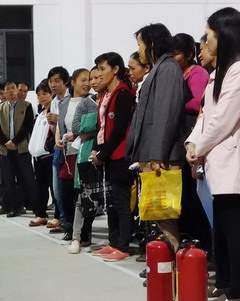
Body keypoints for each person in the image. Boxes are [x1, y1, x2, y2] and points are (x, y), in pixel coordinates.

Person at [186, 8, 240, 301]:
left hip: (234, 160)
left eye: (209, 35)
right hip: (216, 158)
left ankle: (239, 290)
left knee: (234, 229)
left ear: (225, 34)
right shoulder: (220, 71)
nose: (205, 41)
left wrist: (199, 147)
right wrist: (192, 142)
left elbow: (224, 119)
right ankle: (225, 282)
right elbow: (207, 116)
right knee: (220, 229)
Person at [126, 23, 185, 252]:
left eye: (140, 44)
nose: (139, 50)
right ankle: (163, 261)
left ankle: (174, 261)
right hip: (152, 153)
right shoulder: (160, 68)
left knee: (165, 213)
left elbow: (166, 113)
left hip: (161, 156)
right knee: (157, 213)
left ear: (151, 44)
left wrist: (157, 154)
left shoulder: (168, 68)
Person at [90, 53, 135, 261]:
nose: (99, 74)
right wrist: (95, 150)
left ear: (115, 69)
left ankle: (123, 246)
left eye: (102, 69)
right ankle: (113, 242)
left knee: (122, 203)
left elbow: (119, 131)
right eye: (98, 69)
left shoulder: (123, 94)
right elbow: (100, 127)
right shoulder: (106, 95)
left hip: (120, 156)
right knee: (111, 203)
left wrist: (102, 153)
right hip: (107, 156)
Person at [171, 32, 212, 255]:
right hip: (180, 139)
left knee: (194, 196)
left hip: (192, 137)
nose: (173, 58)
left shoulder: (197, 73)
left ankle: (203, 243)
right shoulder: (176, 73)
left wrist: (174, 102)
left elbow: (198, 103)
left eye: (177, 54)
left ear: (189, 54)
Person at [0, 80, 47, 223]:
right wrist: (6, 142)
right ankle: (15, 207)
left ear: (17, 90)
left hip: (22, 149)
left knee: (28, 178)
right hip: (4, 151)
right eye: (7, 88)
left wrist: (14, 142)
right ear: (4, 92)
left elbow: (27, 126)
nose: (10, 91)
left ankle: (37, 208)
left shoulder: (26, 106)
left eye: (13, 88)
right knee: (8, 180)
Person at [56, 69, 96, 250]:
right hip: (67, 155)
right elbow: (61, 126)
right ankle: (71, 228)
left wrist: (79, 135)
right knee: (65, 194)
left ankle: (84, 232)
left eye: (89, 80)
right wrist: (59, 138)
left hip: (84, 153)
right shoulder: (64, 103)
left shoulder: (91, 101)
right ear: (73, 82)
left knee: (84, 195)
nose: (87, 83)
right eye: (83, 80)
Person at [30, 81, 58, 227]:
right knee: (40, 187)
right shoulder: (40, 113)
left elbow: (56, 132)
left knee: (54, 188)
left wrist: (48, 145)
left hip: (49, 155)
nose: (41, 97)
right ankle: (41, 214)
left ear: (51, 94)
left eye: (44, 93)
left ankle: (58, 217)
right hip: (38, 156)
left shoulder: (54, 113)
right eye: (38, 94)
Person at [46, 67, 71, 231]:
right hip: (58, 148)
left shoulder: (72, 98)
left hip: (71, 148)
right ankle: (63, 219)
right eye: (50, 81)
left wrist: (58, 118)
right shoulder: (54, 101)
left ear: (66, 81)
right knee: (57, 189)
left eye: (57, 81)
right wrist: (54, 125)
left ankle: (68, 222)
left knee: (67, 189)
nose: (53, 85)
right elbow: (55, 129)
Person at [0, 82, 15, 215]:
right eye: (1, 93)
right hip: (1, 148)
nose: (4, 95)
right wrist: (6, 143)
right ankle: (5, 205)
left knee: (18, 177)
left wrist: (15, 142)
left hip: (18, 147)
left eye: (5, 91)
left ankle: (19, 204)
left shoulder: (20, 108)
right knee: (4, 178)